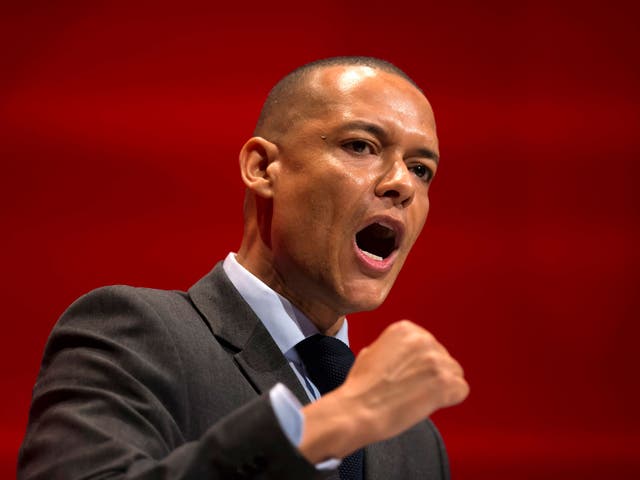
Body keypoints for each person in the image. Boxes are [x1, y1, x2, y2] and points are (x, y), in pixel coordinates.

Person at [18, 56, 469, 479]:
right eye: (361, 145)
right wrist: (337, 421)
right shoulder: (133, 335)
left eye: (421, 169)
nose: (401, 184)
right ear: (262, 167)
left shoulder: (414, 439)